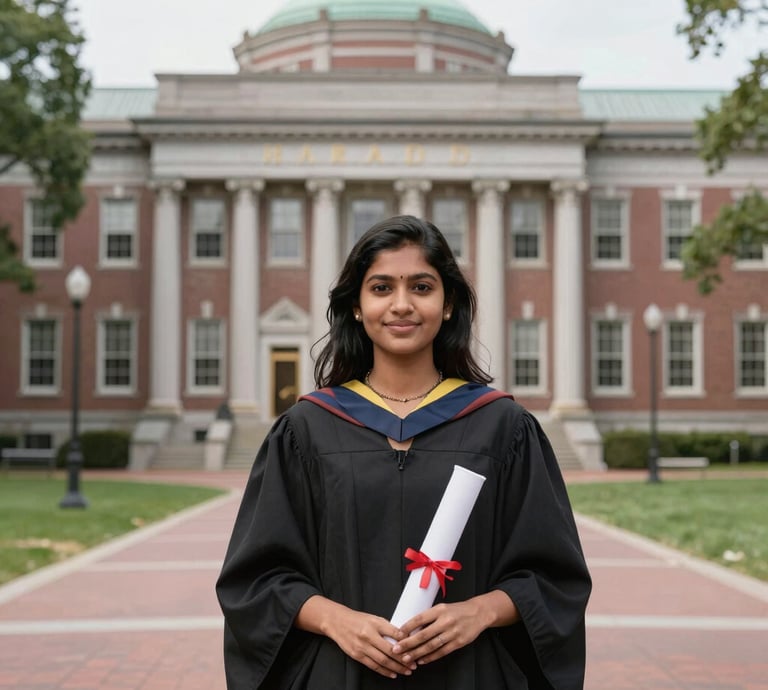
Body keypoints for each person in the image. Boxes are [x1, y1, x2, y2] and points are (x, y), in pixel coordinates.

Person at [216, 215, 591, 689]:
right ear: (356, 306)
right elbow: (256, 579)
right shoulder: (308, 430)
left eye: (421, 287)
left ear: (448, 303)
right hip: (341, 673)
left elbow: (554, 576)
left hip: (469, 674)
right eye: (380, 288)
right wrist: (336, 620)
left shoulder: (502, 427)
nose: (401, 305)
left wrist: (478, 612)